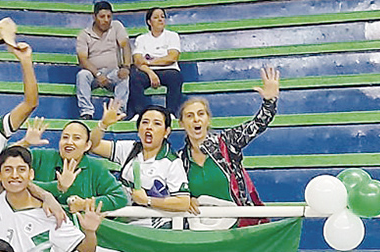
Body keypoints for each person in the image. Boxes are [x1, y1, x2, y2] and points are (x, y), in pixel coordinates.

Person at [180, 68, 280, 214]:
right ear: (181, 124)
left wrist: (269, 102)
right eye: (189, 115)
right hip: (201, 229)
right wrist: (186, 199)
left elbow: (258, 124)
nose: (196, 119)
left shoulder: (227, 142)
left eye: (201, 114)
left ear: (208, 120)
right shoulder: (180, 160)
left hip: (236, 224)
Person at [89, 103, 191, 225]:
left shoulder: (172, 162)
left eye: (157, 124)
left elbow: (183, 202)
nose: (149, 127)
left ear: (166, 132)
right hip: (123, 222)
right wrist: (103, 124)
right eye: (145, 122)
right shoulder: (129, 149)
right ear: (138, 129)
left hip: (154, 227)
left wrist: (147, 200)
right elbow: (92, 145)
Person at [30, 121, 129, 210]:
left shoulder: (96, 167)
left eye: (76, 138)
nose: (69, 142)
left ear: (87, 145)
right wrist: (58, 187)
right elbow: (16, 178)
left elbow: (120, 197)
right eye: (65, 137)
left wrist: (85, 204)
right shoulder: (41, 156)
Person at [75, 1, 131, 120]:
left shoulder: (116, 26)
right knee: (82, 75)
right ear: (94, 17)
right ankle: (86, 112)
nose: (106, 20)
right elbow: (83, 59)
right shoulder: (84, 34)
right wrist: (98, 74)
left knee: (124, 77)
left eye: (109, 16)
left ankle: (118, 111)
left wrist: (126, 67)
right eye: (102, 16)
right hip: (93, 74)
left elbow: (125, 45)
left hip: (112, 73)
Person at [127, 7, 184, 119]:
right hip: (147, 71)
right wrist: (151, 73)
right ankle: (140, 114)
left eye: (162, 17)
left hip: (169, 70)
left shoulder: (172, 36)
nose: (160, 20)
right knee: (135, 78)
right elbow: (138, 60)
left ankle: (171, 113)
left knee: (175, 77)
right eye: (156, 17)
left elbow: (172, 57)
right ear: (149, 21)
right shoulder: (142, 38)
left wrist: (148, 61)